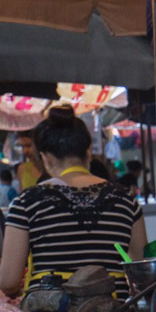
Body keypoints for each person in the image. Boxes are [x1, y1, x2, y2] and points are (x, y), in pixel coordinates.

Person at [0, 107, 146, 299]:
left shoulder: (26, 203)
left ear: (45, 157)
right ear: (88, 152)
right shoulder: (126, 201)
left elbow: (9, 281)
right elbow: (141, 271)